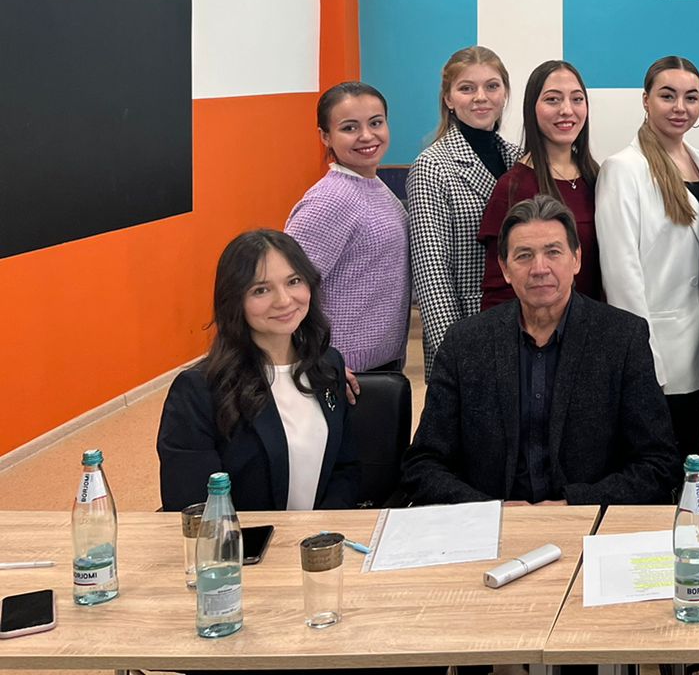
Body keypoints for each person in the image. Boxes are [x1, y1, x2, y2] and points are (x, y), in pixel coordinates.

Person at [400, 194, 678, 506]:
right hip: (491, 524)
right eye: (524, 256)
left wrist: (573, 505)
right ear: (505, 268)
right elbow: (423, 464)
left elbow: (658, 464)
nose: (539, 268)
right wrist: (491, 509)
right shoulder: (465, 343)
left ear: (576, 259)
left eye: (553, 252)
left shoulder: (622, 338)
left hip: (588, 523)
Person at [158, 230, 360, 512]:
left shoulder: (328, 365)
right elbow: (194, 506)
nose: (284, 300)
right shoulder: (199, 390)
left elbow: (344, 468)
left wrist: (322, 529)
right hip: (243, 539)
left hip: (320, 535)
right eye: (261, 290)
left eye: (294, 281)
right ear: (234, 300)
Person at [596, 56, 699, 460]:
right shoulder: (623, 169)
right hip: (661, 351)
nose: (680, 107)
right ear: (646, 100)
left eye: (691, 97)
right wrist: (645, 359)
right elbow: (621, 274)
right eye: (668, 96)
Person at [408, 45, 518, 379]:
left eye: (492, 86)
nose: (481, 97)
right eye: (467, 88)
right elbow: (432, 275)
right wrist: (457, 357)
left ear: (505, 93)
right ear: (448, 99)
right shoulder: (432, 166)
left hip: (522, 323)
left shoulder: (519, 159)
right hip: (466, 329)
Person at [283, 82, 409, 374]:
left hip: (379, 362)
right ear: (325, 136)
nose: (367, 135)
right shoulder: (328, 200)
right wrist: (314, 360)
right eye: (349, 128)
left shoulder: (374, 186)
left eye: (375, 123)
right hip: (341, 370)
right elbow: (287, 288)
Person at [479, 60, 602, 310]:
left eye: (577, 99)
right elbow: (498, 292)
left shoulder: (598, 177)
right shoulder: (513, 187)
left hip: (597, 326)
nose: (567, 110)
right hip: (540, 330)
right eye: (553, 100)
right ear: (531, 108)